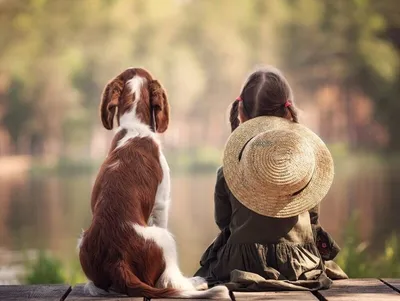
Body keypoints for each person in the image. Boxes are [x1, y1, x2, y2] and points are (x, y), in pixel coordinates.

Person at [194, 67, 347, 292]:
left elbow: (224, 221)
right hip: (300, 265)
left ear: (241, 114)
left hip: (243, 263)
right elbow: (312, 219)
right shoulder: (306, 166)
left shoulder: (228, 171)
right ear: (287, 112)